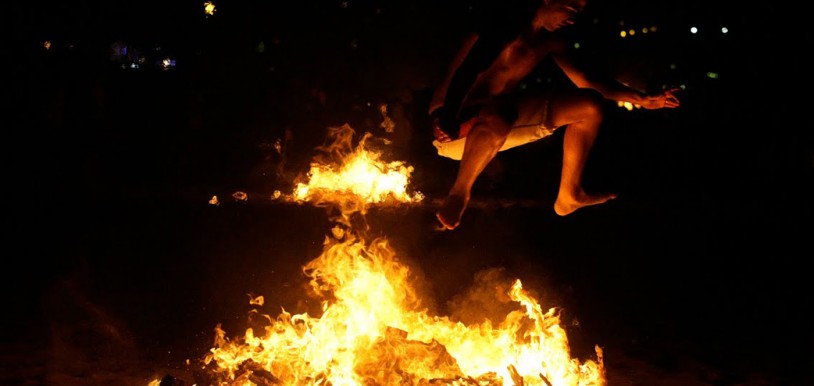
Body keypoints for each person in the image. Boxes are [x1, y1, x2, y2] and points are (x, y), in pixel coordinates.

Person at [428, 0, 681, 230]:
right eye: (570, 9)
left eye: (579, 12)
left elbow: (588, 80)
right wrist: (447, 116)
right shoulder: (502, 27)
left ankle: (569, 194)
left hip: (497, 114)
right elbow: (467, 72)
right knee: (501, 112)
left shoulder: (552, 42)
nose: (572, 18)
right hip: (452, 123)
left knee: (590, 104)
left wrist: (643, 99)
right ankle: (459, 193)